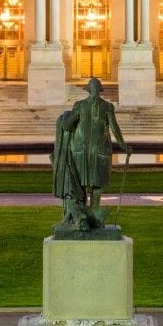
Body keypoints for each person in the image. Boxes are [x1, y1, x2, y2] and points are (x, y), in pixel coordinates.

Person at [52, 77, 131, 232]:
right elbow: (68, 127)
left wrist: (123, 145)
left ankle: (91, 217)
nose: (94, 91)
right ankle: (82, 218)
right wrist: (123, 145)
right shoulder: (90, 106)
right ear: (93, 90)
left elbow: (113, 127)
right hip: (87, 151)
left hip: (92, 151)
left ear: (94, 90)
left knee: (93, 185)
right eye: (93, 88)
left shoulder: (97, 106)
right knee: (85, 186)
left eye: (95, 88)